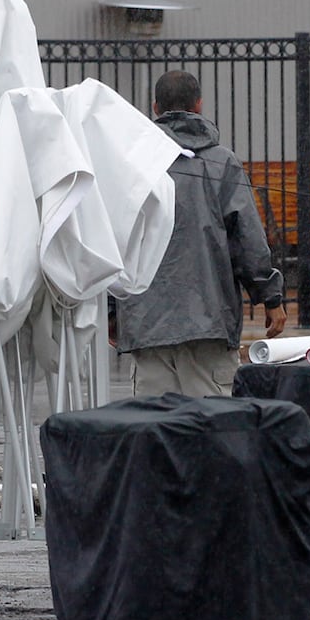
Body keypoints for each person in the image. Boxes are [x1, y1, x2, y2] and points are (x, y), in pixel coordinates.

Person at [115, 70, 286, 396]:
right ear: (199, 105)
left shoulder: (130, 164)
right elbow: (246, 237)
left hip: (147, 322)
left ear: (155, 108)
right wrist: (270, 296)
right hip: (209, 323)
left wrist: (114, 312)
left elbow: (115, 240)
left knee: (156, 431)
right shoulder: (222, 162)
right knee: (213, 429)